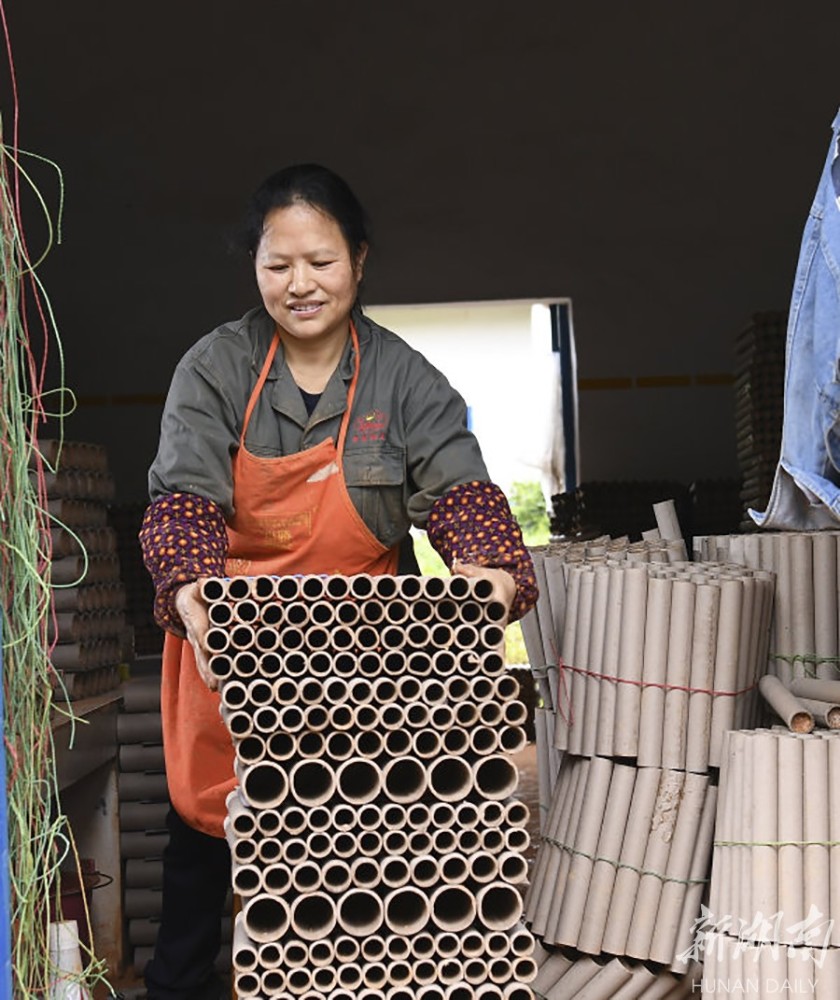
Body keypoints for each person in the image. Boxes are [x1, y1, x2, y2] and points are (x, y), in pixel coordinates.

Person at [138, 163, 538, 999]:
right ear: (254, 268)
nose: (300, 284)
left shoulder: (405, 380)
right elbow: (181, 505)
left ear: (359, 259)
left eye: (320, 261)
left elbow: (464, 497)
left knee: (369, 863)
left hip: (370, 668)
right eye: (277, 264)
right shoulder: (215, 368)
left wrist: (490, 577)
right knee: (206, 848)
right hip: (235, 654)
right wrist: (192, 601)